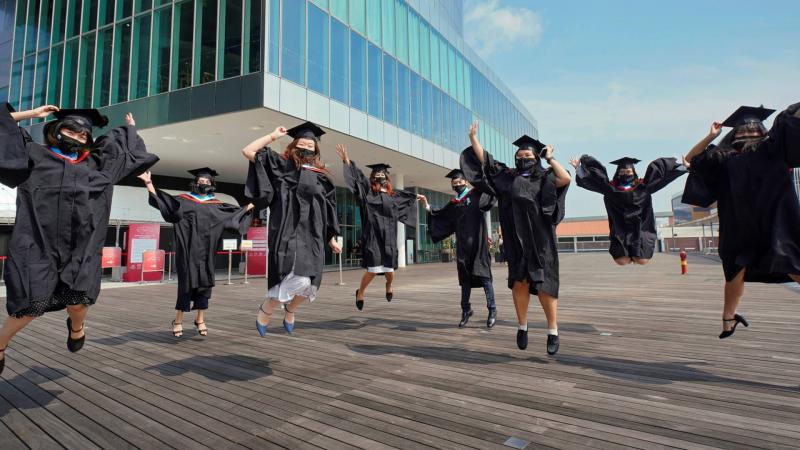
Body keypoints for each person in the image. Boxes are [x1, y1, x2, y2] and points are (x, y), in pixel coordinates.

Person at [0, 104, 158, 374]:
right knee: (31, 306)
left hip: (81, 248)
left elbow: (128, 151)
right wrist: (30, 115)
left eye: (82, 135)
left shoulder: (97, 166)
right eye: (70, 131)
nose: (75, 137)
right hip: (38, 245)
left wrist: (131, 130)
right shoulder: (33, 156)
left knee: (77, 302)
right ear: (56, 130)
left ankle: (77, 327)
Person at [682, 103, 800, 339]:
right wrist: (711, 136)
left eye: (754, 128)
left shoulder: (774, 148)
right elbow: (691, 160)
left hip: (773, 225)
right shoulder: (723, 157)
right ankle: (728, 319)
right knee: (737, 271)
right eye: (744, 129)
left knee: (788, 264)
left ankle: (729, 319)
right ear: (734, 133)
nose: (749, 132)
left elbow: (790, 120)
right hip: (743, 227)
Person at [461, 122, 571, 354]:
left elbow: (565, 179)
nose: (523, 158)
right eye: (520, 155)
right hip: (515, 239)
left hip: (541, 242)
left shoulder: (545, 176)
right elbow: (487, 162)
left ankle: (553, 331)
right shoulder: (508, 177)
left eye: (528, 155)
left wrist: (550, 158)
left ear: (536, 157)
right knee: (520, 282)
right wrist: (473, 139)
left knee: (546, 284)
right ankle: (522, 327)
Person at [243, 122, 341, 336]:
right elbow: (248, 151)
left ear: (316, 150)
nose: (306, 148)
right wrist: (272, 136)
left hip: (313, 234)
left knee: (311, 283)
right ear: (294, 145)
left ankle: (290, 309)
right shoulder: (280, 164)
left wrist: (331, 237)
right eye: (302, 144)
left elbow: (328, 208)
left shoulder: (321, 177)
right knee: (293, 276)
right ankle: (268, 307)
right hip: (287, 229)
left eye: (311, 145)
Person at [139, 168, 254, 338]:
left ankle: (200, 319)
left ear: (212, 184)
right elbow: (165, 204)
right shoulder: (183, 201)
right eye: (201, 181)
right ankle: (178, 320)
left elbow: (234, 216)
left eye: (207, 182)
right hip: (188, 252)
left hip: (207, 253)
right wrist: (149, 183)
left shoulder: (216, 205)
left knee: (204, 284)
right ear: (195, 183)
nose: (204, 183)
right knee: (186, 284)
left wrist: (251, 205)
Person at [335, 144, 422, 310]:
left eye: (382, 174)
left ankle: (389, 285)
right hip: (373, 236)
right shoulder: (368, 192)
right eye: (377, 174)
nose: (380, 176)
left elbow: (404, 198)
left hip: (389, 237)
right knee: (373, 270)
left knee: (390, 271)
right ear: (373, 177)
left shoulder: (392, 195)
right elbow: (358, 180)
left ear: (386, 178)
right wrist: (347, 161)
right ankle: (360, 292)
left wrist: (416, 196)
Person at [569, 155, 686, 265]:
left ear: (634, 173)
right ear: (617, 173)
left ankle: (635, 255)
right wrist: (578, 169)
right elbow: (593, 182)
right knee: (622, 261)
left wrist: (683, 167)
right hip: (621, 229)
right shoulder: (610, 188)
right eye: (622, 172)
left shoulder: (643, 186)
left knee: (642, 260)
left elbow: (664, 180)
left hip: (641, 227)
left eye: (628, 172)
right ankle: (628, 255)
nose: (625, 174)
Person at [419, 167, 498, 328]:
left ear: (466, 181)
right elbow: (440, 215)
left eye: (460, 181)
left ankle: (492, 309)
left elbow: (490, 192)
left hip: (478, 244)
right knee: (465, 280)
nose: (457, 184)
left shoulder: (476, 194)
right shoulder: (454, 204)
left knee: (484, 277)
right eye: (454, 182)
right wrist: (426, 205)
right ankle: (466, 310)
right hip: (463, 247)